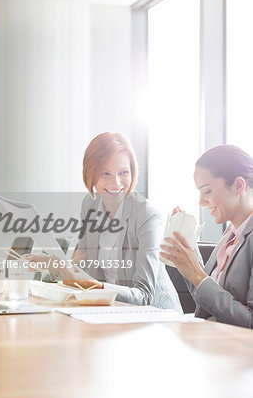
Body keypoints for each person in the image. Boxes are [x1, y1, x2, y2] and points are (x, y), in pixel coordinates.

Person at [27, 132, 182, 310]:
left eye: (123, 172)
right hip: (111, 311)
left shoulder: (147, 215)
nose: (115, 183)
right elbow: (83, 269)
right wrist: (54, 265)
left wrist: (96, 286)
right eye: (105, 173)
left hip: (156, 317)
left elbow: (144, 296)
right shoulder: (90, 204)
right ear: (91, 175)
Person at [160, 145, 253, 328]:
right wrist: (187, 254)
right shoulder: (231, 233)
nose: (201, 202)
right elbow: (208, 298)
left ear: (239, 185)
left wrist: (196, 274)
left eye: (207, 191)